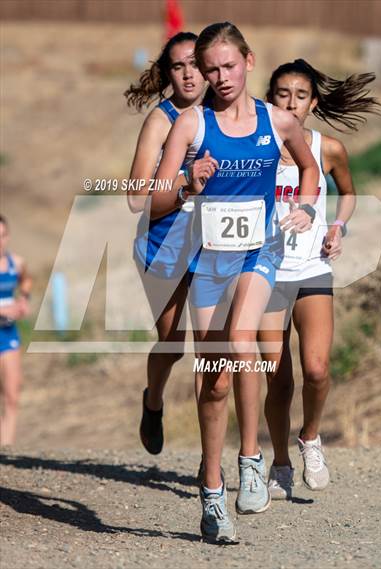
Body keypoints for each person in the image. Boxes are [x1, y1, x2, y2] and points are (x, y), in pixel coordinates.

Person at [149, 23, 319, 543]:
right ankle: (211, 486)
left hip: (259, 253)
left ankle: (250, 459)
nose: (221, 78)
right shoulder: (191, 126)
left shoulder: (278, 120)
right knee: (216, 376)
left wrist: (307, 208)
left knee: (242, 343)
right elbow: (151, 201)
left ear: (248, 60)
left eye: (229, 66)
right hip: (206, 262)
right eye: (211, 69)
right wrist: (185, 186)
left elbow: (310, 169)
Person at [258, 59, 380, 499]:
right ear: (269, 97)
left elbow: (348, 194)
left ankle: (310, 438)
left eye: (301, 95)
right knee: (277, 377)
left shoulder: (327, 148)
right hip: (264, 273)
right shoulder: (254, 147)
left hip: (312, 269)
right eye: (282, 94)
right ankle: (281, 462)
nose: (291, 103)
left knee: (317, 369)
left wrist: (337, 227)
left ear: (313, 101)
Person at [125, 32, 205, 455]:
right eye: (178, 66)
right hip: (164, 240)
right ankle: (153, 401)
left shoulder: (227, 111)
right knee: (173, 343)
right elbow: (137, 197)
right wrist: (186, 187)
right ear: (168, 73)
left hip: (215, 243)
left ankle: (209, 454)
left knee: (213, 346)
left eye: (195, 63)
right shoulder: (161, 118)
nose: (189, 74)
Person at [0, 215, 32, 446]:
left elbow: (26, 280)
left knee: (12, 395)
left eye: (2, 236)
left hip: (8, 334)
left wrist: (24, 300)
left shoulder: (16, 262)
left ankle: (6, 452)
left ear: (8, 236)